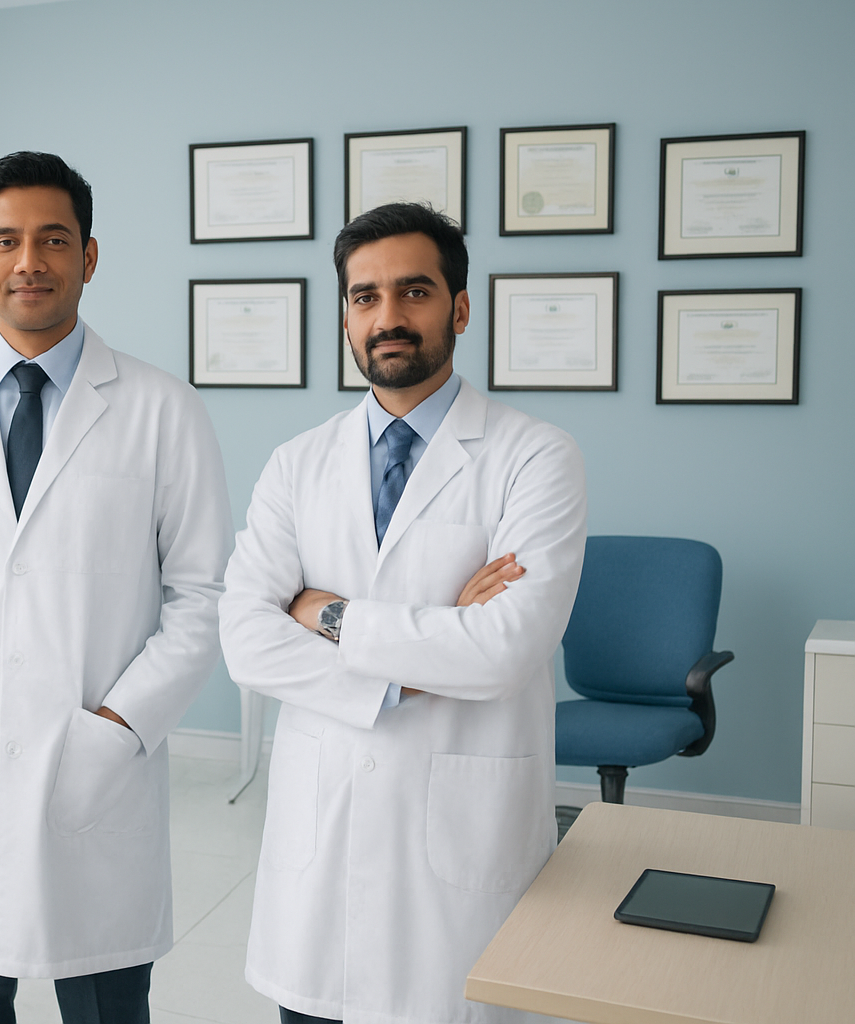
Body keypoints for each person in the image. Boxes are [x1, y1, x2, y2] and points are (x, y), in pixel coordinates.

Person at [0, 151, 232, 1024]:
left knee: (103, 1002)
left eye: (54, 240)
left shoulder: (160, 408)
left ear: (89, 258)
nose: (30, 261)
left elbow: (201, 593)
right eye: (8, 240)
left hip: (94, 771)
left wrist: (118, 728)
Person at [219, 202, 588, 1024]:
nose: (388, 317)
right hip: (322, 857)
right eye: (364, 297)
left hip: (458, 863)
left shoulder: (536, 456)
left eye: (414, 292)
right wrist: (415, 664)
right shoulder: (296, 464)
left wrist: (325, 612)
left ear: (459, 307)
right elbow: (246, 641)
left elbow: (504, 651)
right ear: (346, 314)